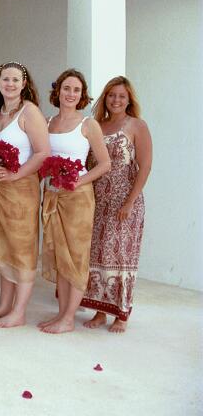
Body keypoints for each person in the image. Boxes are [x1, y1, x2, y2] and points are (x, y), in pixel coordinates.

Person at [39, 69, 111, 334]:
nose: (71, 94)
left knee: (76, 256)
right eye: (66, 88)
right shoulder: (47, 122)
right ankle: (61, 314)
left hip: (78, 197)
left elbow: (104, 164)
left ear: (82, 95)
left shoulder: (88, 125)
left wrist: (78, 181)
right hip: (52, 196)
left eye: (76, 90)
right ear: (57, 91)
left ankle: (69, 318)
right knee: (60, 255)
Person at [0, 61, 49, 328]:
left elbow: (42, 153)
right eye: (5, 79)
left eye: (15, 80)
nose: (10, 84)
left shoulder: (29, 112)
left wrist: (15, 174)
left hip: (21, 189)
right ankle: (4, 305)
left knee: (21, 249)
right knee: (3, 247)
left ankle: (18, 312)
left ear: (24, 84)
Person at [81, 76, 152, 333]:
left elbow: (145, 166)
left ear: (129, 99)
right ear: (105, 98)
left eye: (122, 96)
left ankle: (121, 314)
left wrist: (130, 202)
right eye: (111, 95)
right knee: (98, 255)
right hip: (98, 199)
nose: (116, 100)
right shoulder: (97, 125)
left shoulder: (137, 125)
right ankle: (100, 311)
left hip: (124, 200)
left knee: (121, 257)